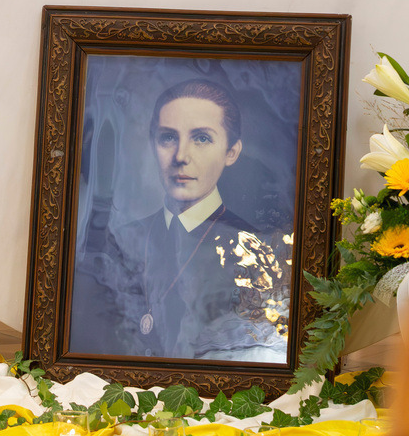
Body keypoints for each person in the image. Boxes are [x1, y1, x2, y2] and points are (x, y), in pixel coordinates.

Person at [75, 79, 290, 361]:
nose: (180, 156)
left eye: (201, 138)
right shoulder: (116, 242)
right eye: (168, 137)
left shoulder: (256, 252)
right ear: (154, 144)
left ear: (231, 152)